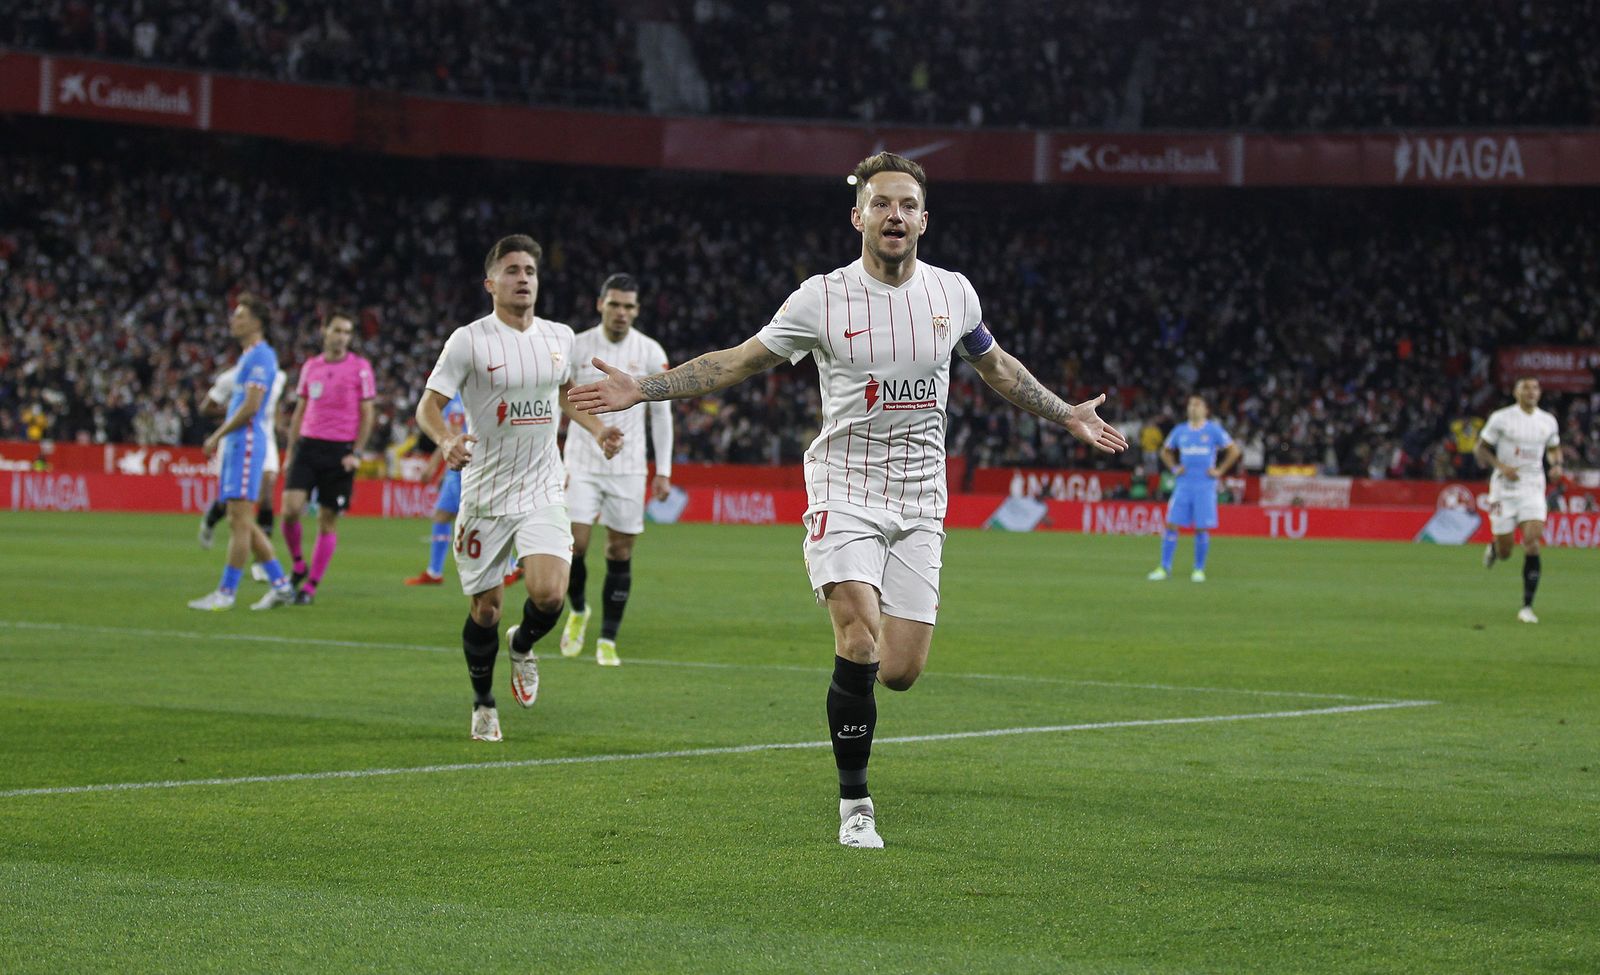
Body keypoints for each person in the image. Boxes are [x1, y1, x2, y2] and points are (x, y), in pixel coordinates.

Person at [570, 152, 1128, 849]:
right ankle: (855, 800)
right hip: (844, 484)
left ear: (925, 219)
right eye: (882, 203)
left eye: (907, 204)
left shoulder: (955, 294)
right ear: (857, 214)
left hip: (922, 494)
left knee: (899, 670)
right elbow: (741, 360)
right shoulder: (821, 298)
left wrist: (1065, 412)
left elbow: (997, 367)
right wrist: (642, 388)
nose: (895, 214)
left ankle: (861, 705)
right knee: (858, 637)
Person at [415, 235, 624, 743]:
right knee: (485, 608)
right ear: (491, 283)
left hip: (542, 487)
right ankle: (484, 703)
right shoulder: (468, 340)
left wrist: (597, 430)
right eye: (512, 270)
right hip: (484, 492)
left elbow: (564, 397)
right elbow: (427, 407)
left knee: (549, 595)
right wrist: (445, 441)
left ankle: (524, 644)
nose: (524, 277)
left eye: (530, 269)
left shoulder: (560, 337)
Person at [559, 273, 674, 666]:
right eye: (615, 304)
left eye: (628, 306)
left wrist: (664, 470)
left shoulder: (650, 351)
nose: (621, 312)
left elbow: (662, 415)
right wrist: (594, 432)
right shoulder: (576, 346)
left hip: (628, 466)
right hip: (581, 460)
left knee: (619, 549)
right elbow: (562, 398)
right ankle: (577, 610)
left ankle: (607, 638)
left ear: (637, 310)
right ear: (600, 305)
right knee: (573, 544)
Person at [187, 294, 297, 611]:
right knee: (243, 521)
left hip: (246, 442)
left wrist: (216, 435)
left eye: (240, 316)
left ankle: (226, 592)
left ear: (256, 322)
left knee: (239, 521)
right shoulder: (249, 357)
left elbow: (251, 407)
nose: (233, 321)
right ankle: (281, 585)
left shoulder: (262, 356)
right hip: (240, 443)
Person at [280, 311, 377, 604]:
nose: (341, 337)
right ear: (324, 331)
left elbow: (368, 414)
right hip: (308, 446)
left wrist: (357, 453)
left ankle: (310, 586)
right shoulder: (312, 366)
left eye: (347, 332)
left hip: (340, 451)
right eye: (337, 330)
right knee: (289, 510)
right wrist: (290, 448)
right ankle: (298, 562)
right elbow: (300, 410)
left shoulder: (360, 368)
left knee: (327, 520)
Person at [1475, 377, 1562, 623]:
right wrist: (1500, 466)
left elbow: (1554, 447)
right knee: (1505, 551)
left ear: (1540, 392)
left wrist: (1556, 465)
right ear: (1516, 393)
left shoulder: (1548, 421)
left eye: (1535, 388)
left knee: (1532, 540)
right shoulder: (1501, 418)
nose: (1531, 392)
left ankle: (1526, 607)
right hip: (1502, 489)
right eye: (1526, 388)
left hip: (1532, 486)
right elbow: (1480, 448)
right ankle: (1495, 547)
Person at [1147, 395, 1240, 582]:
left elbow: (1234, 450)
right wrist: (1174, 468)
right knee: (1171, 524)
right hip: (1183, 485)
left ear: (1206, 410)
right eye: (1190, 404)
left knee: (1201, 527)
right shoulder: (1180, 431)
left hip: (1205, 486)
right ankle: (1164, 567)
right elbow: (1164, 451)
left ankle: (1198, 569)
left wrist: (1220, 470)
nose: (1193, 407)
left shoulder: (1213, 431)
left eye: (1197, 404)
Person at [197, 360, 287, 551]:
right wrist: (234, 412)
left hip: (265, 439)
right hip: (236, 438)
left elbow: (275, 402)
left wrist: (278, 424)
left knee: (267, 489)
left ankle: (262, 558)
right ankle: (211, 520)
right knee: (232, 501)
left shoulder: (278, 376)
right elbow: (206, 408)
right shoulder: (230, 378)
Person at [406, 393, 468, 586]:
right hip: (458, 466)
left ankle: (511, 566)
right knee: (442, 515)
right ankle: (434, 572)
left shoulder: (456, 399)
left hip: (463, 466)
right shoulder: (462, 394)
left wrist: (432, 467)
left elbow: (454, 437)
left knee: (475, 519)